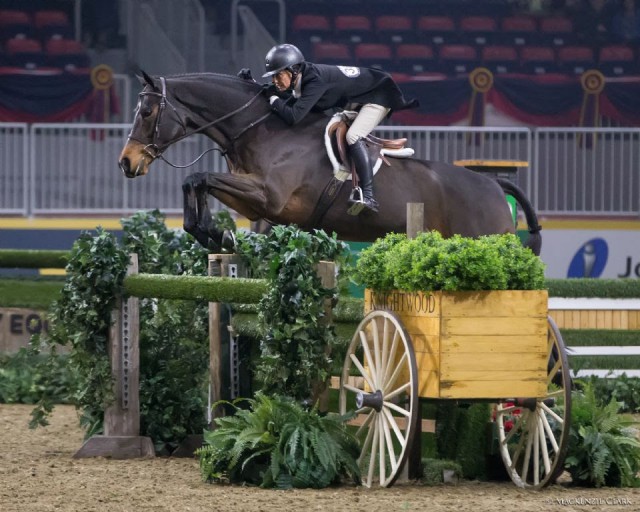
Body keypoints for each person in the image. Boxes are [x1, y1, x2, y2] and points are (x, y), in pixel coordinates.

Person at [256, 43, 417, 215]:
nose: (274, 81)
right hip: (360, 98)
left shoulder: (314, 81)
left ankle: (369, 196)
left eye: (277, 75)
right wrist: (258, 87)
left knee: (353, 136)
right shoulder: (304, 77)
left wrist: (273, 99)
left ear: (293, 70)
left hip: (378, 95)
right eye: (272, 77)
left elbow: (293, 116)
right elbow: (287, 97)